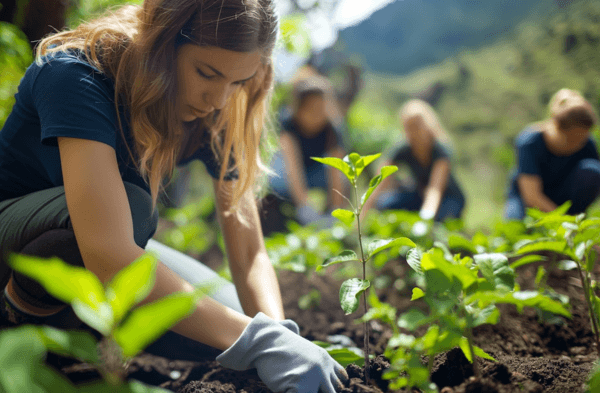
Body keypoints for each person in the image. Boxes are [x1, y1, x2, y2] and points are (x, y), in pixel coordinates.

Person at [0, 1, 348, 392]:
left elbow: (249, 252)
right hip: (15, 238)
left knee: (234, 321)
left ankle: (73, 331)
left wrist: (279, 337)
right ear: (163, 42)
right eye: (206, 73)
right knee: (135, 213)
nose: (218, 99)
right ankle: (19, 325)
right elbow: (107, 251)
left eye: (237, 82)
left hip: (103, 248)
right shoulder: (78, 74)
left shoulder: (216, 107)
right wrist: (259, 342)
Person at [362, 99, 465, 224]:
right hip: (418, 195)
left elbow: (435, 190)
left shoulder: (440, 150)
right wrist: (362, 215)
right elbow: (379, 183)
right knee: (385, 204)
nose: (413, 131)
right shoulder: (402, 149)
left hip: (447, 197)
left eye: (417, 125)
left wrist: (425, 219)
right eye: (409, 126)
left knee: (442, 221)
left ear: (428, 124)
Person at [505, 88, 600, 220]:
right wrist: (565, 222)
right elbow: (532, 196)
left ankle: (578, 216)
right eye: (571, 139)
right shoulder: (530, 142)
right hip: (528, 199)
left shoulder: (587, 143)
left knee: (592, 170)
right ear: (556, 127)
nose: (577, 144)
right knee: (515, 225)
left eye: (582, 139)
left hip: (564, 196)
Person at [268, 76, 346, 226]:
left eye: (321, 108)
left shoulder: (333, 129)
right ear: (299, 108)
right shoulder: (288, 125)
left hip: (316, 169)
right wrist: (305, 207)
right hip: (287, 169)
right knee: (277, 185)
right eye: (311, 108)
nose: (317, 114)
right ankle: (284, 217)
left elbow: (335, 170)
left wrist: (336, 211)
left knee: (344, 181)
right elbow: (293, 168)